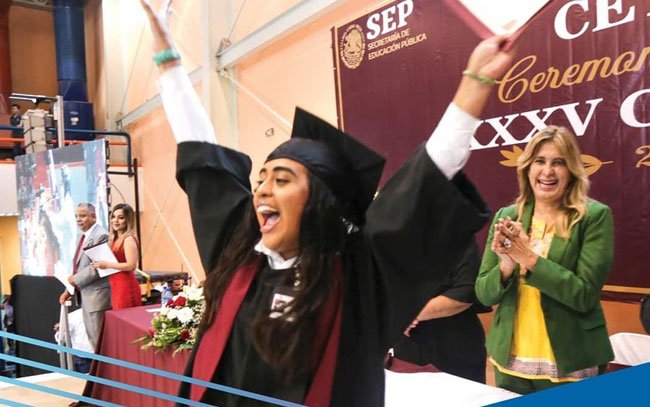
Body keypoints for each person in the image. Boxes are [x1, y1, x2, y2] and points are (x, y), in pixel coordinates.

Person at [141, 1, 514, 405]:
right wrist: (168, 61)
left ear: (318, 201)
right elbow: (205, 158)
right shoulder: (238, 256)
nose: (262, 189)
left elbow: (423, 186)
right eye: (262, 178)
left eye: (282, 179)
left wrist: (474, 85)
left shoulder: (357, 278)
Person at [475, 126, 615, 394]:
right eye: (540, 161)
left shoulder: (593, 216)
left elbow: (585, 295)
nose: (547, 171)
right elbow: (484, 294)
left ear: (571, 170)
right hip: (510, 362)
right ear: (527, 169)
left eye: (558, 162)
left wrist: (529, 258)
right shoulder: (507, 216)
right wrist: (506, 266)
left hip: (571, 361)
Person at [392, 240, 488, 383]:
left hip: (453, 344)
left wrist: (411, 313)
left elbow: (466, 292)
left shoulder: (460, 239)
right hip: (406, 345)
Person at [59, 203, 111, 350]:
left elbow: (98, 267)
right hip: (87, 297)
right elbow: (79, 267)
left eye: (82, 216)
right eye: (76, 216)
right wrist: (69, 290)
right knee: (95, 344)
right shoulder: (83, 237)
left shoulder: (101, 235)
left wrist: (74, 280)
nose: (78, 219)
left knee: (101, 345)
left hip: (98, 298)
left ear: (93, 216)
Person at [91, 203, 142, 309]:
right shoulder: (114, 239)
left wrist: (107, 265)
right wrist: (99, 264)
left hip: (125, 286)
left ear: (128, 220)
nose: (115, 220)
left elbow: (131, 266)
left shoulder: (128, 239)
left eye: (121, 218)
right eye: (113, 217)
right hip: (116, 285)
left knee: (125, 317)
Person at [54, 308, 94, 374]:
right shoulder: (73, 316)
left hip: (103, 355)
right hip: (84, 358)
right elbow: (61, 338)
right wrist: (60, 331)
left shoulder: (105, 313)